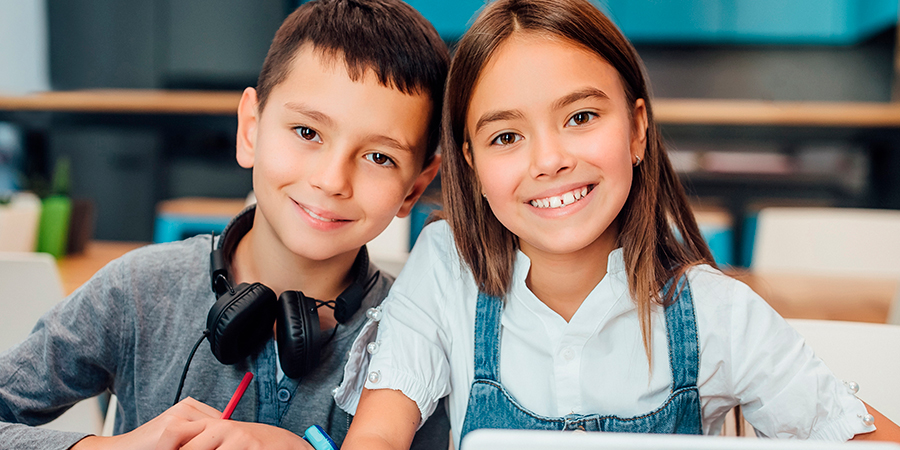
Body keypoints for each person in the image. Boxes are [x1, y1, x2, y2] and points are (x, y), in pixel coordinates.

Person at [335, 0, 900, 448]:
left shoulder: (717, 313)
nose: (548, 160)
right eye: (507, 136)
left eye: (580, 117)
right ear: (472, 163)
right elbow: (379, 435)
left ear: (635, 130)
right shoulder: (446, 268)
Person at [0, 1, 451, 449]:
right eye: (307, 132)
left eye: (379, 157)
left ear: (413, 189)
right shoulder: (139, 291)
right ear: (251, 129)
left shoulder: (418, 335)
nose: (332, 181)